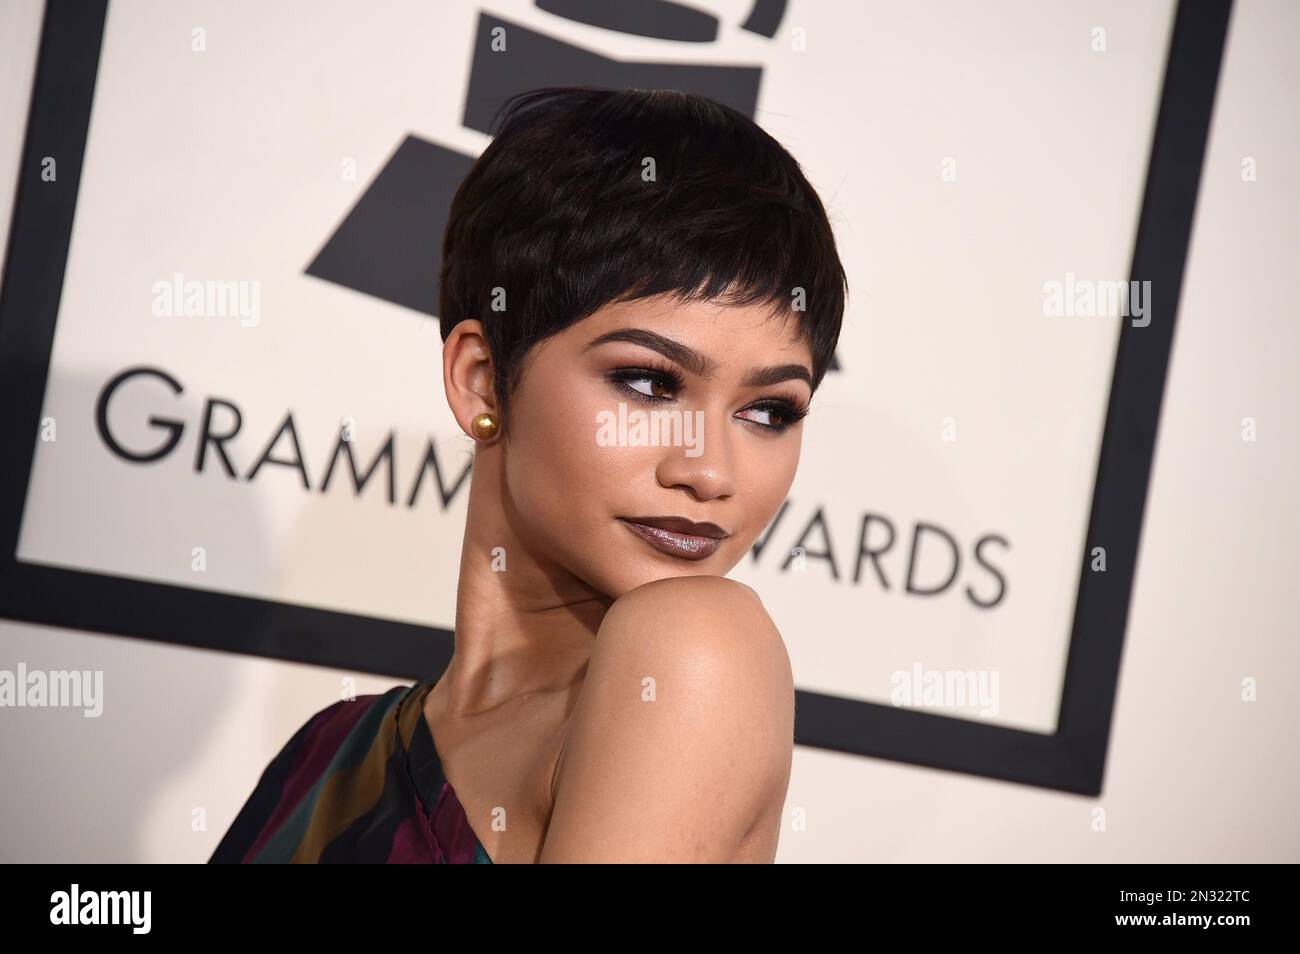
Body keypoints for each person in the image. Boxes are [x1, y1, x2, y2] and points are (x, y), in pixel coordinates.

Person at [210, 84, 848, 863]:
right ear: (482, 378)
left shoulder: (695, 648)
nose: (711, 471)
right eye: (649, 383)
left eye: (769, 412)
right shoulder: (327, 750)